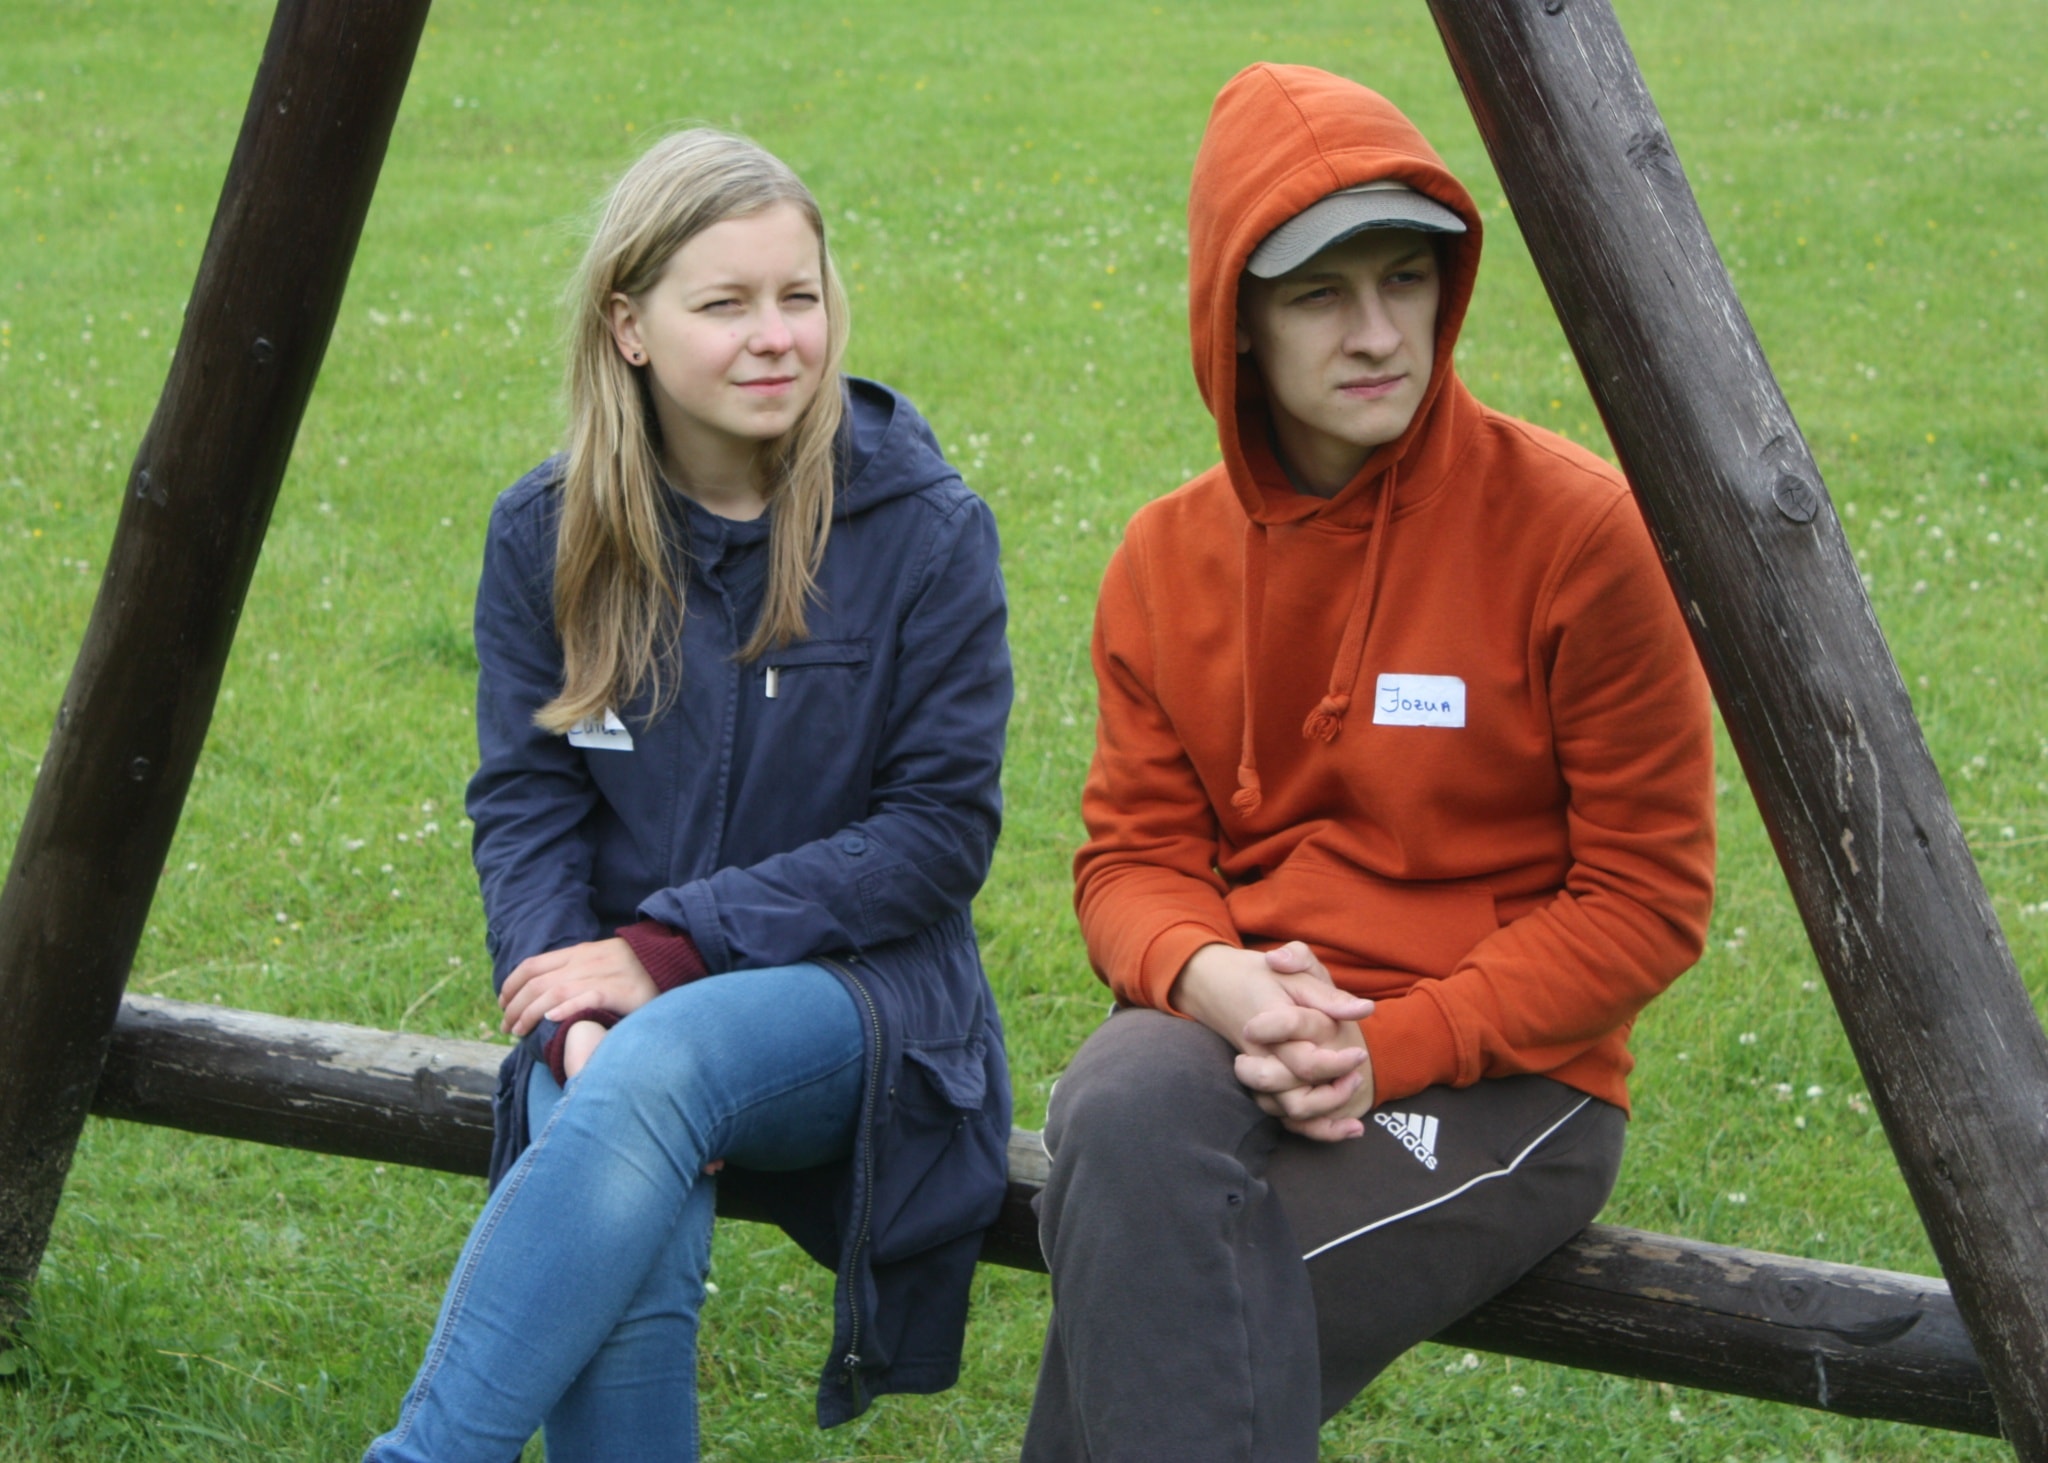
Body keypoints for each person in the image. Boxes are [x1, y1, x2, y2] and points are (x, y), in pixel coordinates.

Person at [1023, 64, 1716, 1461]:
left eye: (1406, 279)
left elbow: (1647, 899)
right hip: (1248, 1018)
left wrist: (1389, 1045)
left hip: (1505, 1074)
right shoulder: (1165, 559)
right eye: (1320, 296)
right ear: (1236, 321)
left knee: (1181, 1317)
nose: (1379, 333)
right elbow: (1133, 861)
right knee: (1116, 1099)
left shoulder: (1582, 536)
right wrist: (1213, 980)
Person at [365, 128, 1012, 1463]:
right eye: (725, 304)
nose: (777, 337)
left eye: (799, 296)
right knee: (622, 1152)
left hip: (867, 1002)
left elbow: (936, 837)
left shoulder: (925, 529)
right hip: (620, 998)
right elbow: (527, 804)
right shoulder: (546, 534)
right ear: (630, 327)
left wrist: (670, 955)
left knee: (655, 1066)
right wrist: (565, 1004)